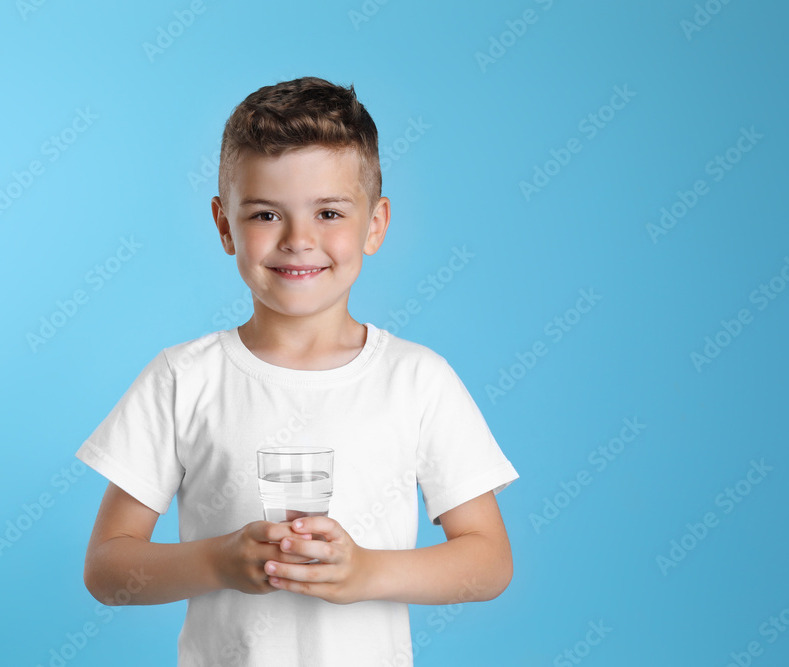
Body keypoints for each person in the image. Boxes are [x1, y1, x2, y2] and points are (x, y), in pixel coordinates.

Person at [76, 75, 519, 666]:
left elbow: (488, 562)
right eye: (265, 215)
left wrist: (365, 572)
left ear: (376, 223)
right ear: (225, 225)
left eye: (330, 211)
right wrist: (218, 561)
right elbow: (107, 568)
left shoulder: (418, 380)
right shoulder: (182, 379)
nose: (299, 240)